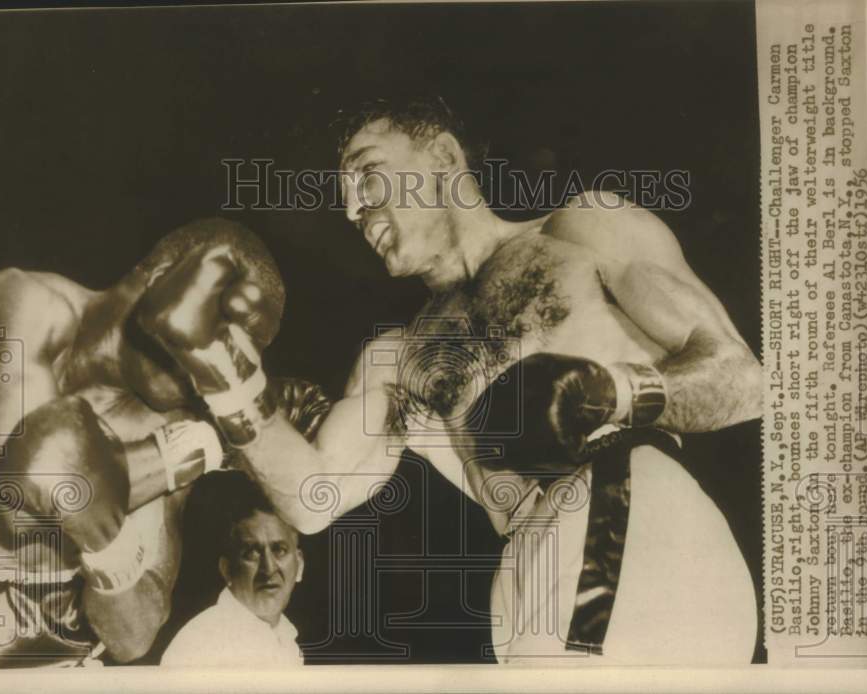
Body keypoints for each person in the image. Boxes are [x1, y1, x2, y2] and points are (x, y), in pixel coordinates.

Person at [149, 97, 762, 664]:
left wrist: (613, 392)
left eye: (367, 174)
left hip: (622, 508)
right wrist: (223, 374)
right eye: (345, 199)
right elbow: (314, 499)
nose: (353, 209)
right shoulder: (397, 357)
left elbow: (742, 379)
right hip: (524, 566)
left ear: (442, 157)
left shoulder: (581, 232)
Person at [0, 218, 327, 668]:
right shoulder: (22, 301)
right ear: (162, 279)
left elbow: (135, 635)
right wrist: (205, 446)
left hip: (54, 662)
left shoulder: (172, 425)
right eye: (215, 331)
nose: (204, 364)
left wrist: (108, 548)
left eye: (229, 357)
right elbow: (15, 500)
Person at [160, 470, 304, 667]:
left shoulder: (284, 636)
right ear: (226, 569)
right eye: (252, 553)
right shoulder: (201, 644)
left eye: (279, 550)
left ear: (300, 565)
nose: (268, 568)